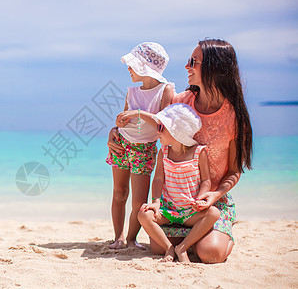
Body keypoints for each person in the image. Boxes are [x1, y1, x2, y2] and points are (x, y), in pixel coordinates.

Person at [108, 38, 253, 263]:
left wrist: (213, 194)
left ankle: (217, 235)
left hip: (208, 203)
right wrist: (114, 132)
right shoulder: (180, 102)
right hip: (175, 201)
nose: (187, 66)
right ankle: (192, 241)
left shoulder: (233, 116)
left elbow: (234, 171)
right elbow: (151, 127)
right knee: (157, 248)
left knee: (210, 254)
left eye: (194, 61)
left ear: (215, 68)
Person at [106, 42, 175, 249]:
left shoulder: (165, 90)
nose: (129, 69)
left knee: (138, 201)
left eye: (133, 65)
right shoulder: (132, 91)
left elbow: (164, 124)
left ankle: (131, 239)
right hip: (121, 144)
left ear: (145, 67)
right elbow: (124, 121)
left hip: (143, 149)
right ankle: (118, 237)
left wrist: (139, 113)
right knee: (119, 193)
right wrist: (116, 127)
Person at [138, 103, 220, 262]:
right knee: (143, 214)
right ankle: (169, 248)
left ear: (177, 131)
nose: (157, 130)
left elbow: (206, 181)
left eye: (162, 127)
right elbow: (158, 179)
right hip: (168, 210)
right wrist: (155, 202)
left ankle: (182, 247)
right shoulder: (164, 151)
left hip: (190, 211)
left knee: (214, 213)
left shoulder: (199, 152)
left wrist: (201, 199)